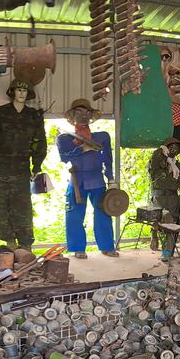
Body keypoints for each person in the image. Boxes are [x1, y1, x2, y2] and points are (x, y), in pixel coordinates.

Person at [0, 79, 46, 250]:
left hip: (22, 169)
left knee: (23, 207)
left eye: (24, 91)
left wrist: (37, 166)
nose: (21, 93)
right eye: (18, 90)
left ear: (28, 94)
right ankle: (9, 243)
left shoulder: (33, 116)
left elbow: (39, 142)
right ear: (12, 92)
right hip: (2, 169)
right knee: (1, 206)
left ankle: (25, 245)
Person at [56, 98, 117, 258]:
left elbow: (108, 160)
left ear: (91, 115)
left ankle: (107, 246)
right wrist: (82, 149)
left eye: (86, 112)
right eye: (78, 112)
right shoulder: (65, 138)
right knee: (74, 215)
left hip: (97, 179)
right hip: (77, 180)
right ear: (72, 116)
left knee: (103, 212)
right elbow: (63, 157)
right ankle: (78, 248)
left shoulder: (102, 137)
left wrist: (111, 179)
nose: (83, 116)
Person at [148, 137, 180, 261]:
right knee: (168, 218)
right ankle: (167, 251)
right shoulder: (156, 165)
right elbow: (156, 158)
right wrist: (161, 152)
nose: (173, 149)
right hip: (159, 202)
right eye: (171, 147)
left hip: (175, 202)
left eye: (176, 148)